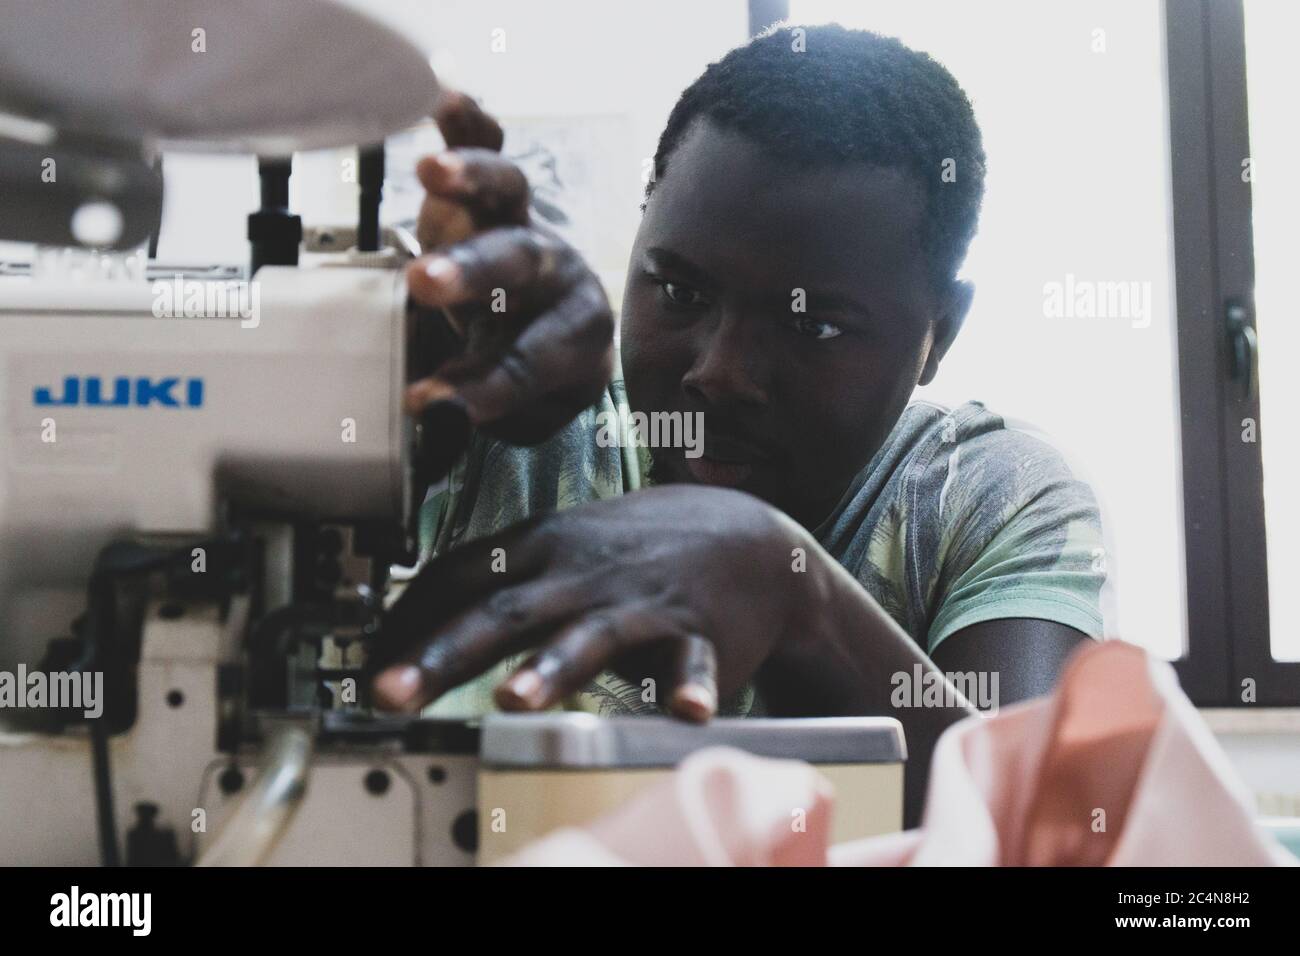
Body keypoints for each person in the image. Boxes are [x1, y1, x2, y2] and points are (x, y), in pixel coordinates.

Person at [369, 24, 1106, 823]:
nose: (719, 373)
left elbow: (1045, 832)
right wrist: (408, 345)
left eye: (814, 325)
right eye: (681, 293)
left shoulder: (988, 499)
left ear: (942, 332)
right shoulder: (515, 418)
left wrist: (796, 600)